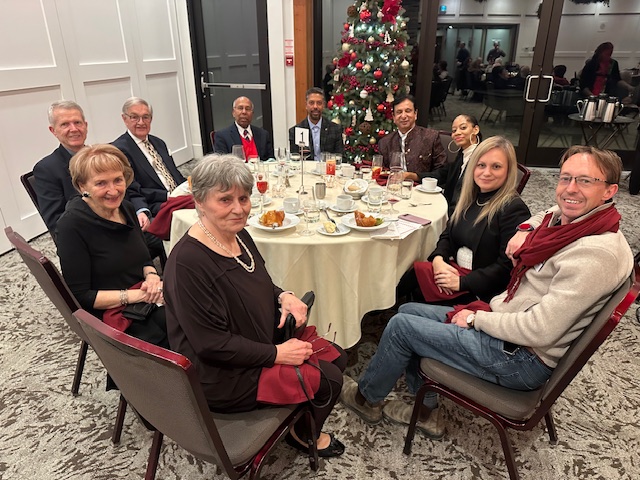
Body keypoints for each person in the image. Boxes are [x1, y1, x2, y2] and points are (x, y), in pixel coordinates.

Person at [341, 144, 632, 438]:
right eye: (565, 178)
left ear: (610, 191)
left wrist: (474, 319)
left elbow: (540, 330)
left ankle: (366, 399)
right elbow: (551, 210)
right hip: (509, 322)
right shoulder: (577, 221)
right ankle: (426, 411)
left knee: (402, 326)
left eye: (585, 181)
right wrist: (525, 230)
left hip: (521, 356)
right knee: (408, 310)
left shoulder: (595, 255)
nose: (571, 188)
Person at [163, 154, 347, 458]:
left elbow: (257, 281)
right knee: (329, 380)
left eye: (243, 198)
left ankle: (297, 421)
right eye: (225, 199)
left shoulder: (238, 233)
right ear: (200, 202)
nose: (239, 209)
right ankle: (304, 435)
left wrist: (282, 295)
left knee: (337, 356)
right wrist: (276, 354)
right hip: (222, 373)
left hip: (254, 339)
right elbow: (210, 344)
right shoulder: (187, 264)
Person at [56, 144, 169, 350]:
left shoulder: (125, 207)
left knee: (201, 314)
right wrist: (138, 295)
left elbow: (144, 257)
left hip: (143, 298)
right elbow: (81, 296)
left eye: (118, 180)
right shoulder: (71, 226)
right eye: (101, 183)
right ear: (82, 186)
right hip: (114, 314)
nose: (113, 190)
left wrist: (152, 276)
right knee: (186, 331)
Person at [399, 136, 530, 307]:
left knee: (412, 293)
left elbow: (506, 267)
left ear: (508, 171)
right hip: (456, 272)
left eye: (496, 166)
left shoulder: (513, 209)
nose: (486, 172)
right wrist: (438, 260)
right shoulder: (471, 197)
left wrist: (461, 283)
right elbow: (448, 234)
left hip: (480, 289)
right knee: (412, 274)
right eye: (481, 165)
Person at [112, 97, 186, 219]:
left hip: (179, 196)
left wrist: (189, 188)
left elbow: (174, 174)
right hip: (156, 203)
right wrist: (169, 196)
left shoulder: (159, 143)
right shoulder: (119, 150)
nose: (141, 122)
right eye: (134, 117)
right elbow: (131, 189)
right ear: (124, 119)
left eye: (146, 117)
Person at [33, 101, 88, 235]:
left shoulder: (102, 156)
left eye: (77, 122)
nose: (73, 129)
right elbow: (57, 222)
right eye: (65, 124)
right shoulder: (46, 170)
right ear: (53, 131)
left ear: (85, 125)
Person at [416, 114, 482, 215]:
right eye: (454, 130)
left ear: (475, 130)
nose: (457, 133)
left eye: (463, 128)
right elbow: (443, 174)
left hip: (467, 213)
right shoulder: (462, 154)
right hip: (452, 208)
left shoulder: (482, 158)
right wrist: (413, 176)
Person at [378, 95, 447, 175]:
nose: (403, 116)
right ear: (394, 117)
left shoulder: (431, 137)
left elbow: (442, 171)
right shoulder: (385, 142)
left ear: (415, 114)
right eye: (399, 112)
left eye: (408, 111)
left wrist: (415, 177)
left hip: (421, 183)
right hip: (393, 182)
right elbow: (382, 172)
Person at [289, 87, 343, 160]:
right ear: (306, 105)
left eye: (319, 103)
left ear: (323, 105)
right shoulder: (295, 131)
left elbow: (339, 157)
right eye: (311, 103)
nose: (315, 106)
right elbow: (295, 159)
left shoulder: (335, 129)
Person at [214, 96, 274, 161]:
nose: (244, 112)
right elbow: (222, 163)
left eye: (247, 109)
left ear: (252, 113)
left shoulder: (263, 134)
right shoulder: (222, 136)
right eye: (240, 108)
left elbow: (271, 160)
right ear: (233, 113)